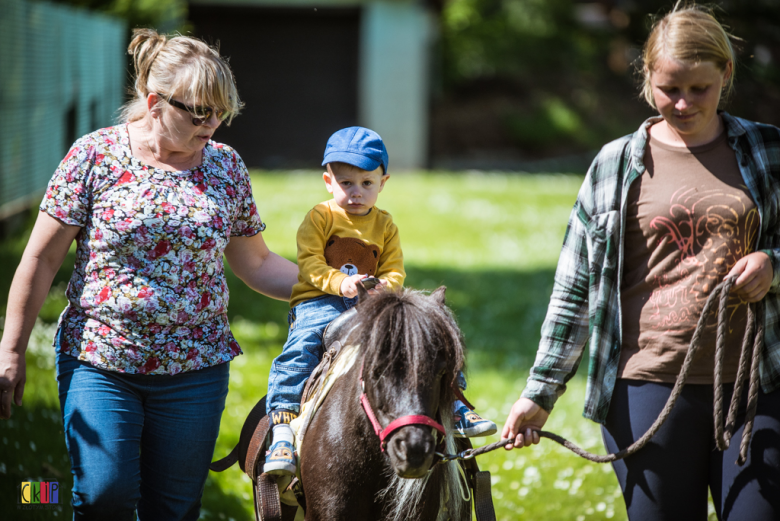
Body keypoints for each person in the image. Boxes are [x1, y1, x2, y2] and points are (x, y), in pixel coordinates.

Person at [0, 28, 298, 519]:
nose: (214, 123)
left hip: (195, 367)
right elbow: (41, 258)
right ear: (154, 101)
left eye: (221, 110)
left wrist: (333, 284)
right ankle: (27, 495)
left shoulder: (225, 167)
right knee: (102, 495)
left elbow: (257, 263)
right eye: (199, 111)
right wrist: (12, 349)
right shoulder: (94, 156)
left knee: (174, 508)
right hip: (101, 359)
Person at [501, 5, 780, 520]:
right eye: (669, 87)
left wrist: (773, 264)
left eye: (700, 88)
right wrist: (540, 392)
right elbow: (575, 287)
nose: (683, 102)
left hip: (756, 387)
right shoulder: (614, 164)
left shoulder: (767, 150)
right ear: (647, 77)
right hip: (646, 388)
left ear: (727, 75)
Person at [263, 127, 496, 475]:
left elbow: (393, 267)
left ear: (382, 182)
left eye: (366, 184)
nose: (356, 193)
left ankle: (455, 403)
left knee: (420, 338)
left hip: (370, 300)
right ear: (329, 182)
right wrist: (340, 283)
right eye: (346, 183)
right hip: (321, 300)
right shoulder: (320, 217)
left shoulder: (385, 223)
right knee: (301, 348)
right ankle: (283, 425)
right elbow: (309, 262)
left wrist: (386, 287)